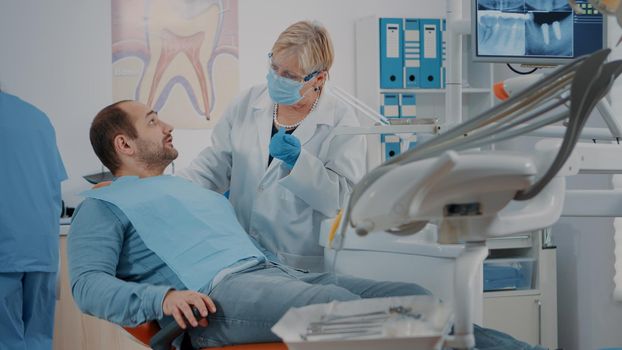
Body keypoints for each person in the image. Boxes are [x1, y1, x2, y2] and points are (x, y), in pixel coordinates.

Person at [69, 100, 544, 350]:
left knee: (409, 298)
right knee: (344, 314)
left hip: (273, 274)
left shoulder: (192, 187)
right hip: (216, 300)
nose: (166, 124)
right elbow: (87, 286)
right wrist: (163, 298)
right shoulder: (104, 204)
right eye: (153, 121)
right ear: (124, 145)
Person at [178, 20, 366, 272]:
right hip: (242, 253)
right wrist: (164, 188)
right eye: (274, 67)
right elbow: (213, 165)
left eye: (289, 75)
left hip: (300, 259)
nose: (276, 78)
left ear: (318, 78)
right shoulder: (247, 103)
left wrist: (300, 164)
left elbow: (344, 200)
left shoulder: (341, 120)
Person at [0, 89, 67, 350]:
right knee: (38, 339)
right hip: (42, 249)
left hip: (5, 248)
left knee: (5, 340)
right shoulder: (37, 117)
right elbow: (54, 178)